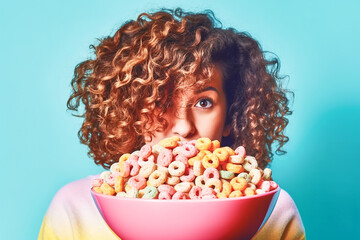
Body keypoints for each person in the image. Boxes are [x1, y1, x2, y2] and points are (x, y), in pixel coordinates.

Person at [38, 8, 305, 239]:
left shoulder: (273, 213)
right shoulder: (75, 211)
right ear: (132, 113)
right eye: (161, 102)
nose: (183, 127)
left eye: (204, 102)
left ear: (230, 117)